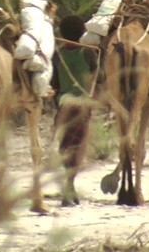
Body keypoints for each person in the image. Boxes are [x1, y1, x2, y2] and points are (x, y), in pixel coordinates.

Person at [50, 15, 101, 206]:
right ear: (82, 33)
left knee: (65, 146)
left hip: (63, 104)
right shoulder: (88, 52)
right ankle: (69, 187)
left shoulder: (57, 54)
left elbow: (53, 82)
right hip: (82, 104)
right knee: (78, 147)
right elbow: (99, 76)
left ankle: (69, 188)